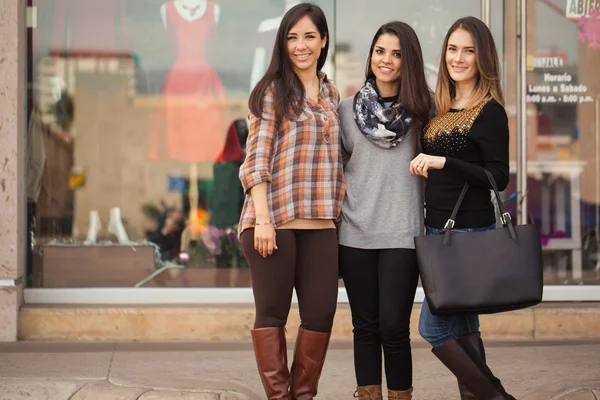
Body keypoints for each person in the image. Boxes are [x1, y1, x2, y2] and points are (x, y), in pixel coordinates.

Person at [237, 3, 345, 399]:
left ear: (323, 41)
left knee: (320, 316)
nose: (300, 45)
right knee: (272, 316)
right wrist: (262, 219)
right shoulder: (272, 92)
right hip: (273, 223)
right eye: (292, 37)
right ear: (283, 43)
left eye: (309, 36)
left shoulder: (333, 94)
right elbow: (255, 162)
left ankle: (303, 396)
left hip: (321, 226)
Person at [409, 16, 515, 399]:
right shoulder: (441, 107)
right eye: (453, 49)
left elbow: (498, 177)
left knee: (433, 328)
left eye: (468, 50)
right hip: (438, 232)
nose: (458, 57)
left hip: (467, 234)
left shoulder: (490, 112)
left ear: (482, 57)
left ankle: (496, 396)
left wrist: (444, 163)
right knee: (465, 326)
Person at [337, 21, 432, 400]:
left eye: (396, 53)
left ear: (408, 59)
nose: (386, 60)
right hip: (355, 233)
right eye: (380, 51)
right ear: (371, 56)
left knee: (394, 327)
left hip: (403, 235)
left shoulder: (426, 109)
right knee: (365, 326)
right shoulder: (345, 110)